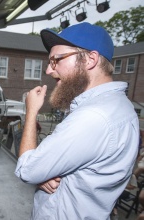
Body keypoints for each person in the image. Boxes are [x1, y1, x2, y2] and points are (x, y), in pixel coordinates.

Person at [15, 22, 140, 219]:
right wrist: (44, 172)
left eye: (56, 60)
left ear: (90, 59)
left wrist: (31, 112)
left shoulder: (93, 117)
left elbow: (27, 169)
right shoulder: (121, 107)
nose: (49, 70)